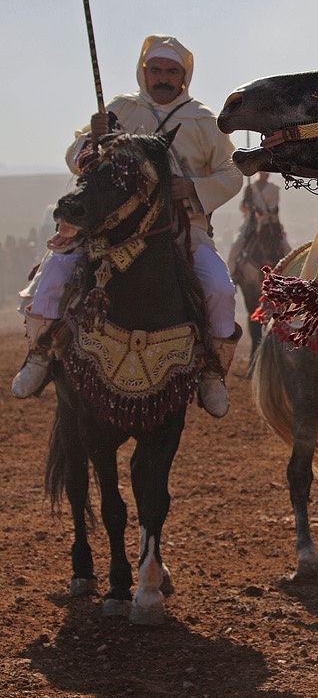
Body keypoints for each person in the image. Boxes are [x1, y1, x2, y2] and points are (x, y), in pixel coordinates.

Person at [12, 35, 243, 415]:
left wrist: (194, 187)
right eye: (157, 70)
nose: (163, 78)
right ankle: (39, 353)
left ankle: (211, 371)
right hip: (111, 228)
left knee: (219, 288)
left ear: (184, 76)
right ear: (144, 71)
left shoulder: (203, 119)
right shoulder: (119, 108)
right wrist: (94, 137)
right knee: (53, 270)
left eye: (172, 71)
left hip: (181, 227)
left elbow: (231, 172)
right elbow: (76, 156)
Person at [228, 171, 290, 274]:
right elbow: (243, 208)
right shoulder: (250, 188)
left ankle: (290, 271)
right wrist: (248, 202)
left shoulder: (274, 189)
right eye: (264, 172)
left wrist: (262, 213)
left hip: (270, 222)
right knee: (237, 245)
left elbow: (273, 207)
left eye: (268, 173)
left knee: (287, 248)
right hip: (251, 222)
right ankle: (233, 273)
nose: (266, 174)